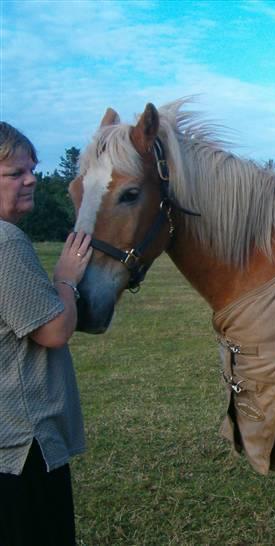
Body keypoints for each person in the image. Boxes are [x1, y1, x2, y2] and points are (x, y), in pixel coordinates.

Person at [0, 122, 92, 545]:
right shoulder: (5, 242)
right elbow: (54, 330)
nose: (31, 179)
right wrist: (67, 279)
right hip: (21, 445)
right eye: (15, 173)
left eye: (32, 169)